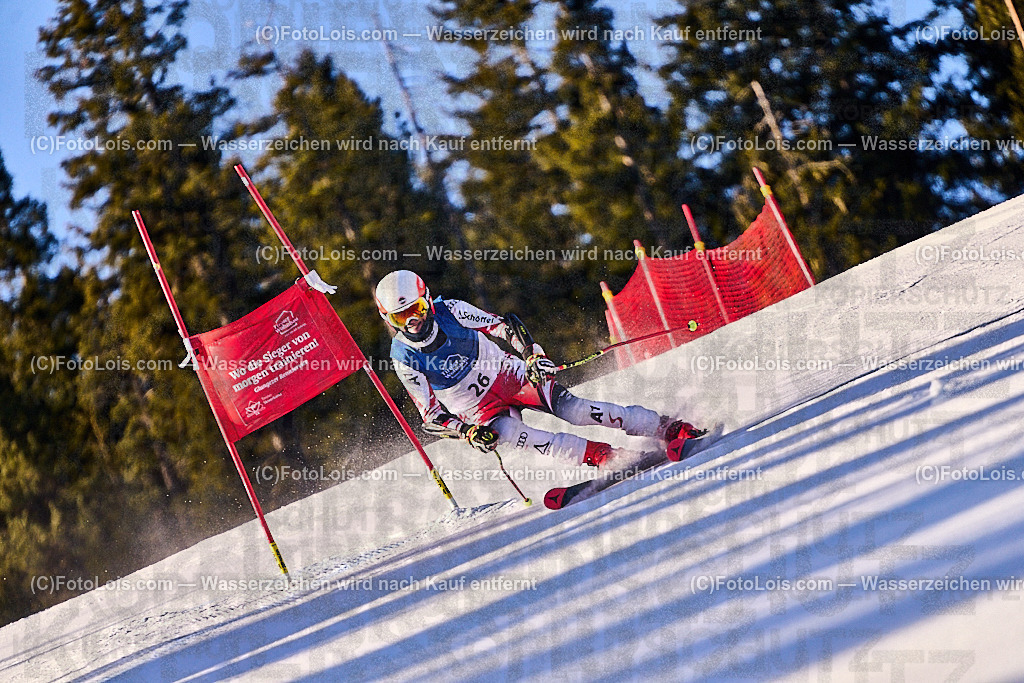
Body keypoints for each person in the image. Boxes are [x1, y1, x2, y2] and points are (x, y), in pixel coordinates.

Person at [374, 270, 704, 469]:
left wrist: (532, 355)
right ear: (388, 319)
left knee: (576, 410)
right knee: (526, 438)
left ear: (428, 300)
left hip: (511, 376)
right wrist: (467, 432)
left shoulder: (451, 310)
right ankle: (607, 457)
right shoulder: (404, 357)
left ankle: (667, 428)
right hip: (479, 410)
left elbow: (504, 326)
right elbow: (430, 416)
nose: (413, 322)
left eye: (416, 309)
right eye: (401, 318)